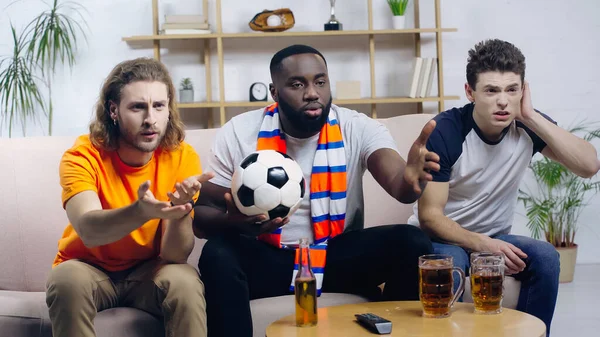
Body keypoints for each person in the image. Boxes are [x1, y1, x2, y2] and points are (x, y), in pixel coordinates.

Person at [192, 44, 440, 337]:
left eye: (320, 82)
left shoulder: (357, 127)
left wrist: (413, 181)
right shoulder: (239, 131)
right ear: (274, 92)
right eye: (297, 84)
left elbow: (400, 184)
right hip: (269, 257)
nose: (312, 92)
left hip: (337, 257)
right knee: (218, 253)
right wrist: (232, 222)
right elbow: (200, 217)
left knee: (412, 242)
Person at [407, 39, 600, 336]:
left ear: (523, 90)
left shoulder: (527, 126)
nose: (503, 101)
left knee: (546, 257)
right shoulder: (446, 131)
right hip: (442, 238)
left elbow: (588, 166)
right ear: (470, 92)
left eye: (512, 90)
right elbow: (430, 217)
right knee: (452, 265)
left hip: (494, 236)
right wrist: (482, 244)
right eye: (491, 90)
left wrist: (531, 116)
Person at [46, 57, 211, 337]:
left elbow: (175, 255)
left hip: (150, 271)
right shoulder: (83, 155)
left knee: (184, 280)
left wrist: (180, 210)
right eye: (138, 107)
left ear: (168, 110)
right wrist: (141, 212)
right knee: (66, 280)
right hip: (89, 267)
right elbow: (89, 230)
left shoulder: (182, 156)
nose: (150, 119)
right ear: (114, 110)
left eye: (159, 106)